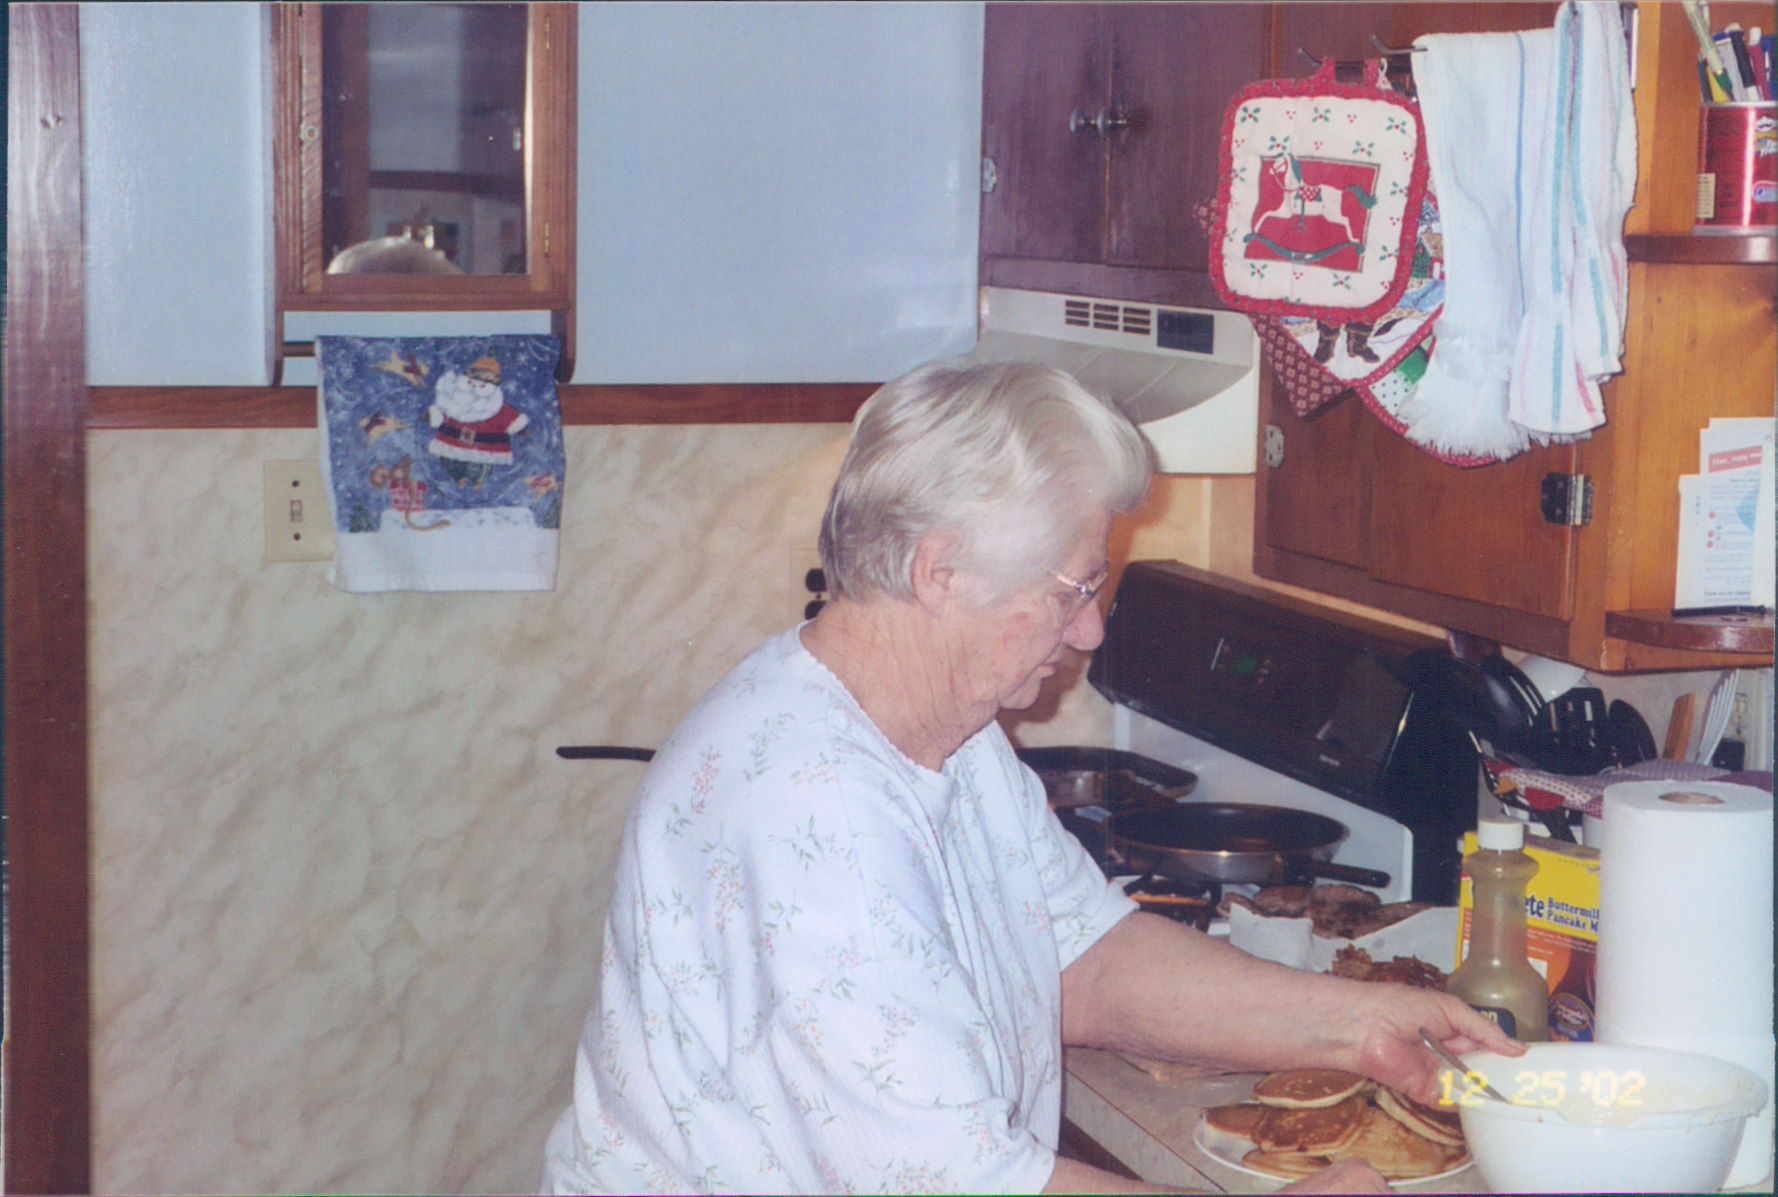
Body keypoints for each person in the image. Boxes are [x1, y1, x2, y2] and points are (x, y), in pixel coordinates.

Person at [539, 360, 1522, 1195]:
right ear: (940, 573)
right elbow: (957, 1184)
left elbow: (1082, 962)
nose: (1088, 630)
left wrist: (1359, 1025)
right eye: (1073, 589)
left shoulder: (948, 736)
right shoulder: (811, 811)